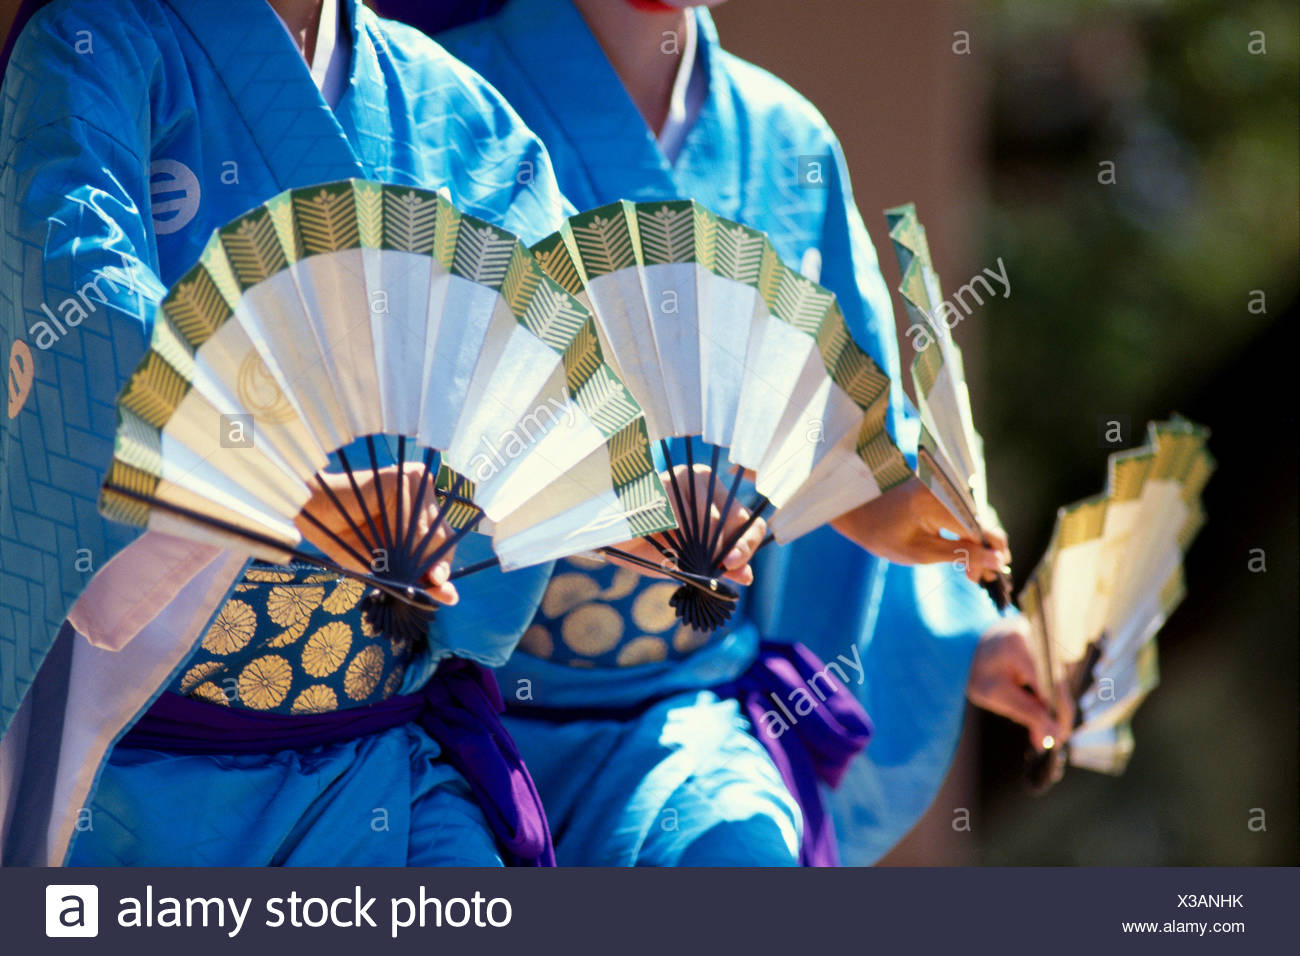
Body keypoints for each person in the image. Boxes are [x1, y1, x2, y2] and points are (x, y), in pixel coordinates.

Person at [415, 0, 1063, 865]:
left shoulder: (786, 142)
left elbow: (859, 442)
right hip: (444, 710)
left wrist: (959, 626)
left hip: (682, 726)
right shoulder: (439, 96)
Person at [0, 0, 583, 866]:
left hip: (381, 753)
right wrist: (288, 485)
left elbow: (549, 365)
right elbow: (86, 311)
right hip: (143, 768)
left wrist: (615, 494)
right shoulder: (94, 44)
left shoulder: (457, 110)